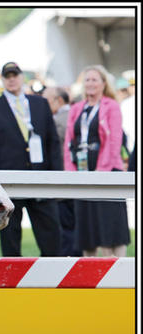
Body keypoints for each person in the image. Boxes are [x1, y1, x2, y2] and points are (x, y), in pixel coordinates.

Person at [0, 61, 63, 257]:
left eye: (14, 75)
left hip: (41, 178)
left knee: (50, 233)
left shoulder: (40, 104)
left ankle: (55, 277)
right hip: (9, 181)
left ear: (21, 77)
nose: (11, 79)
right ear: (2, 80)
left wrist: (56, 176)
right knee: (10, 235)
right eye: (7, 76)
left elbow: (52, 142)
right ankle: (11, 278)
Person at [63, 65, 129, 257]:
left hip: (107, 171)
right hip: (83, 170)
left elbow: (114, 141)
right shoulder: (77, 108)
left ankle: (116, 264)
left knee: (110, 224)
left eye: (94, 80)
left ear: (103, 84)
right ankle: (88, 266)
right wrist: (71, 171)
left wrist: (101, 173)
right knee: (87, 226)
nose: (90, 83)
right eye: (87, 80)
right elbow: (69, 141)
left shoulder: (111, 106)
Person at [43, 85, 80, 256]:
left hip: (64, 182)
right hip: (76, 181)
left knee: (66, 229)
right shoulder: (75, 115)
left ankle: (68, 262)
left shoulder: (59, 120)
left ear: (58, 100)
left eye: (46, 101)